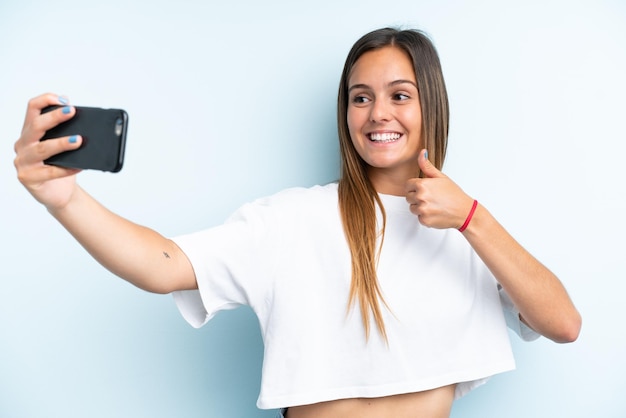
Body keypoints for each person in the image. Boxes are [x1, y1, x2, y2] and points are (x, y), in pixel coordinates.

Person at [13, 27, 581, 418]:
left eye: (399, 95)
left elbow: (563, 324)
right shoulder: (293, 220)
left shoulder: (468, 231)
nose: (378, 113)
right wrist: (65, 201)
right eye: (360, 98)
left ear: (430, 105)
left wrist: (471, 219)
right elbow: (164, 266)